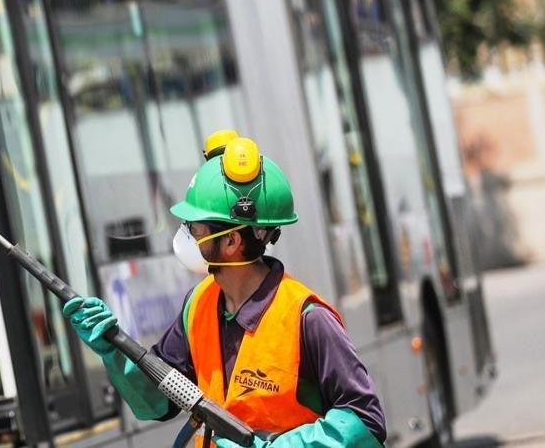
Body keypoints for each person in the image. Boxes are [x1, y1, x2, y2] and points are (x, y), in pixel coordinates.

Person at [62, 135, 386, 447]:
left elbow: (365, 422)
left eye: (195, 226)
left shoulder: (307, 319)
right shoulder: (199, 305)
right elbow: (157, 402)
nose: (186, 234)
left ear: (231, 242)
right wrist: (113, 350)